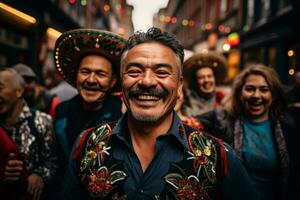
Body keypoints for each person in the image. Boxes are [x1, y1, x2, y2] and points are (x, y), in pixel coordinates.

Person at [60, 27, 256, 200]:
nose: (147, 81)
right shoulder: (86, 145)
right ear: (121, 83)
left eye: (162, 72)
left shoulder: (219, 157)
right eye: (135, 71)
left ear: (179, 86)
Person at [197, 64, 300, 200]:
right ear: (240, 93)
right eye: (250, 89)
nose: (256, 95)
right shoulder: (222, 120)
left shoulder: (289, 124)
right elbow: (188, 123)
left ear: (273, 95)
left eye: (264, 89)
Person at [51, 29, 126, 197]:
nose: (91, 80)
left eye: (100, 74)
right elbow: (53, 159)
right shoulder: (61, 111)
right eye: (85, 72)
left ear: (113, 80)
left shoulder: (122, 114)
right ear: (76, 75)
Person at [0, 67, 58, 200]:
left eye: (0, 88)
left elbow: (53, 162)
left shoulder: (41, 121)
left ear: (19, 91)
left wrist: (39, 175)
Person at [181, 52, 228, 117]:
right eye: (201, 77)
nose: (206, 80)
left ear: (215, 78)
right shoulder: (185, 100)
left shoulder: (223, 100)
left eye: (209, 76)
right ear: (195, 81)